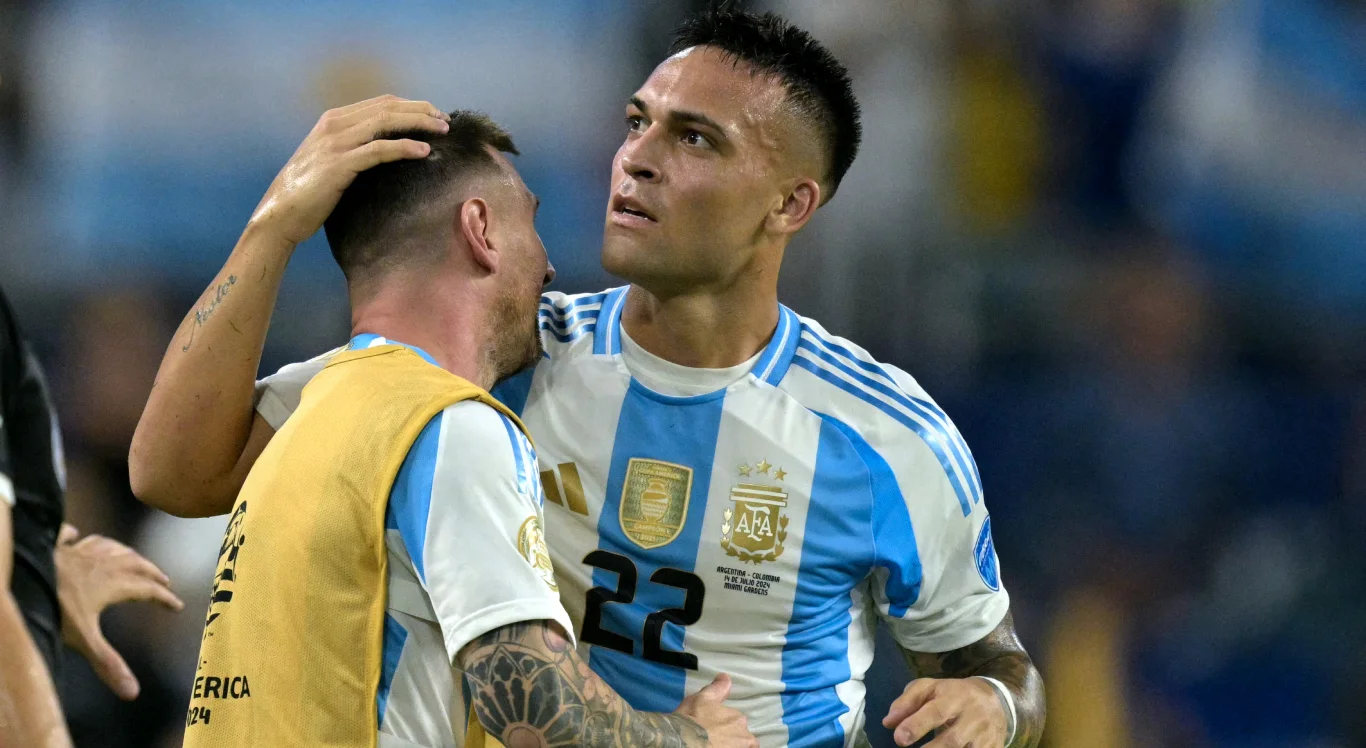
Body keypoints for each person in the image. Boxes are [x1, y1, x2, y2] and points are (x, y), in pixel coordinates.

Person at [132, 9, 1045, 748]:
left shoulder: (886, 434)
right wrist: (272, 228)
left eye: (694, 138)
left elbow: (994, 663)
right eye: (637, 121)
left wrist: (997, 709)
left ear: (791, 203)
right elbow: (182, 473)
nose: (636, 158)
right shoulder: (508, 360)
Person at [168, 104, 753, 748]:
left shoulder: (321, 403)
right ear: (480, 229)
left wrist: (273, 226)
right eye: (531, 222)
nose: (550, 265)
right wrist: (695, 739)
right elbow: (536, 713)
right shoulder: (450, 426)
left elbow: (166, 466)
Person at [0, 285, 183, 747]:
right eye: (105, 355)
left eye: (137, 355)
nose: (119, 372)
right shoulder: (57, 480)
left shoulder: (196, 497)